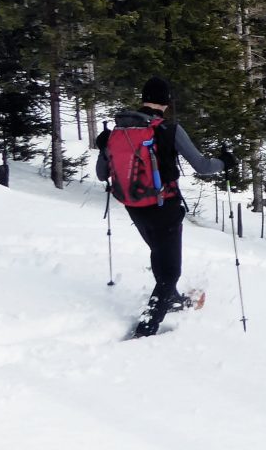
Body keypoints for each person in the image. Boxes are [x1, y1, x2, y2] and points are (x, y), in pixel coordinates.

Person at [95, 76, 238, 336]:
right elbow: (203, 167)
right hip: (164, 207)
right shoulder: (168, 130)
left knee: (159, 252)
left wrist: (103, 146)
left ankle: (171, 299)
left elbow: (101, 174)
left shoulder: (118, 130)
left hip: (133, 205)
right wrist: (225, 162)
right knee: (170, 272)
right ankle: (147, 328)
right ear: (166, 102)